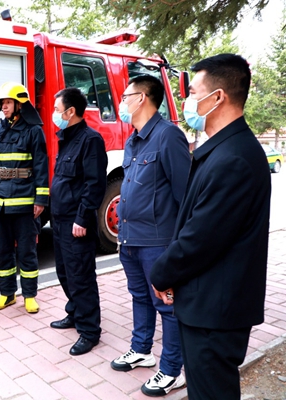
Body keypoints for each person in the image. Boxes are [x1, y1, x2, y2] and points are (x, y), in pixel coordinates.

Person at [150, 54, 271, 400]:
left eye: (192, 93)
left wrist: (161, 274)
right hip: (208, 304)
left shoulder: (234, 158)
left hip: (215, 312)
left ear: (218, 97)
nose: (186, 102)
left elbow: (200, 239)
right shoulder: (225, 149)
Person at [110, 76, 191, 396]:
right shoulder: (134, 140)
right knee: (140, 297)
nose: (121, 102)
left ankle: (171, 370)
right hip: (130, 238)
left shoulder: (168, 136)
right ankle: (141, 350)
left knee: (167, 305)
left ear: (142, 98)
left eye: (125, 96)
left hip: (158, 242)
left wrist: (178, 248)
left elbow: (185, 196)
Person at [0, 82, 49, 314]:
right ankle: (7, 294)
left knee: (27, 252)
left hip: (24, 202)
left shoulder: (33, 131)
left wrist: (41, 199)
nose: (4, 107)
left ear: (20, 104)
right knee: (2, 252)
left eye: (8, 102)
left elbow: (40, 166)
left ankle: (29, 295)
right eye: (2, 103)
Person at [48, 87, 107, 355]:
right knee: (64, 272)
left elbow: (95, 184)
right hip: (60, 220)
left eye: (57, 109)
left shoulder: (90, 140)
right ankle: (74, 312)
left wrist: (82, 218)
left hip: (76, 222)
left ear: (71, 112)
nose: (54, 114)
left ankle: (89, 331)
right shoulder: (66, 138)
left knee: (80, 276)